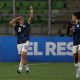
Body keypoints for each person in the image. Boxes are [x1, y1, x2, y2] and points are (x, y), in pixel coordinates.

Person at [9, 6, 33, 74]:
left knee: (23, 55)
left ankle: (20, 68)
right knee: (23, 56)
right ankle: (27, 67)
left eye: (22, 18)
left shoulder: (26, 24)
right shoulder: (16, 26)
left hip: (26, 41)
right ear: (18, 21)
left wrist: (31, 10)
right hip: (19, 42)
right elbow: (10, 23)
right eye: (20, 19)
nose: (21, 19)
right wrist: (16, 18)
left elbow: (31, 17)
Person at [70, 11, 80, 78]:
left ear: (75, 17)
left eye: (72, 16)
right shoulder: (73, 25)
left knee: (79, 58)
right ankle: (77, 70)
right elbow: (72, 33)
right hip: (75, 43)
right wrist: (71, 30)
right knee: (75, 61)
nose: (72, 18)